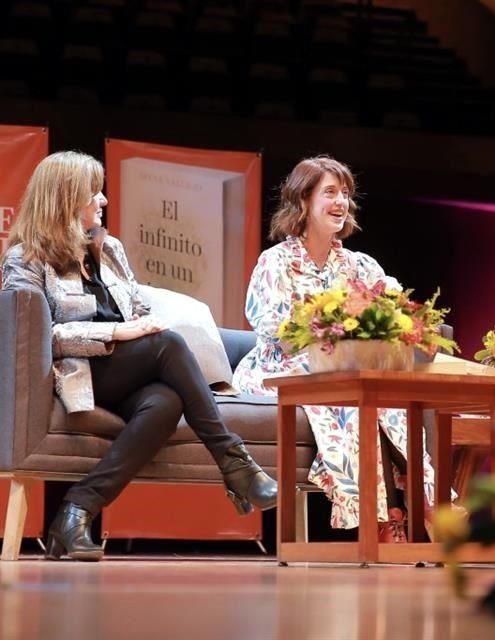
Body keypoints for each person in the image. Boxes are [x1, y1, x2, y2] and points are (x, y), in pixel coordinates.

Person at [0, 151, 277, 561]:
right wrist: (117, 331)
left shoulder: (108, 248)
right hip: (80, 371)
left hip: (126, 369)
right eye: (94, 192)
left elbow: (137, 310)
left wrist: (140, 325)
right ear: (65, 198)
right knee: (169, 345)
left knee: (166, 401)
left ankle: (76, 511)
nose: (103, 200)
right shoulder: (26, 259)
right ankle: (234, 462)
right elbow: (41, 336)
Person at [233, 155, 440, 543]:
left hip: (343, 371)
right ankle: (380, 519)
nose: (341, 202)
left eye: (345, 194)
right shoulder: (275, 262)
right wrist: (330, 326)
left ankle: (422, 502)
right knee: (344, 396)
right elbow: (269, 327)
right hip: (279, 367)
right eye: (330, 192)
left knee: (383, 393)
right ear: (303, 202)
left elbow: (395, 309)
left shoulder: (360, 265)